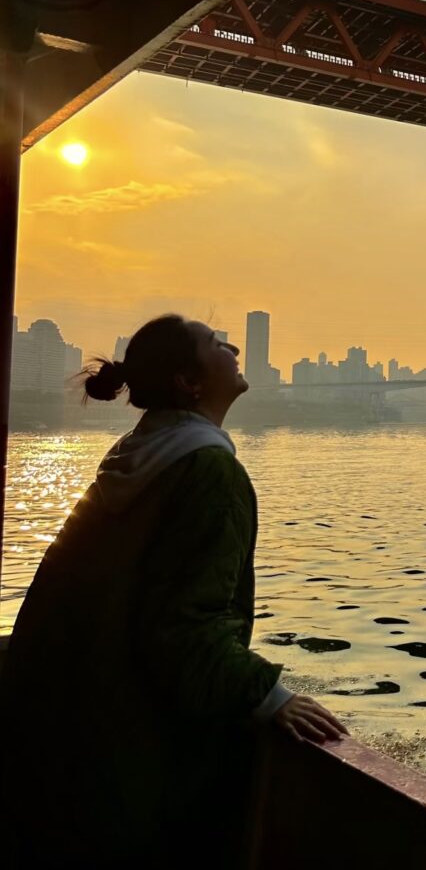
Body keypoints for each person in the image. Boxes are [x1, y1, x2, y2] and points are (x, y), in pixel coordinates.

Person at [0, 314, 345, 868]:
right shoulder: (208, 472)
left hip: (61, 743)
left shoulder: (130, 461)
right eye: (215, 342)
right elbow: (185, 626)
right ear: (190, 381)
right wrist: (269, 697)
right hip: (134, 761)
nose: (232, 347)